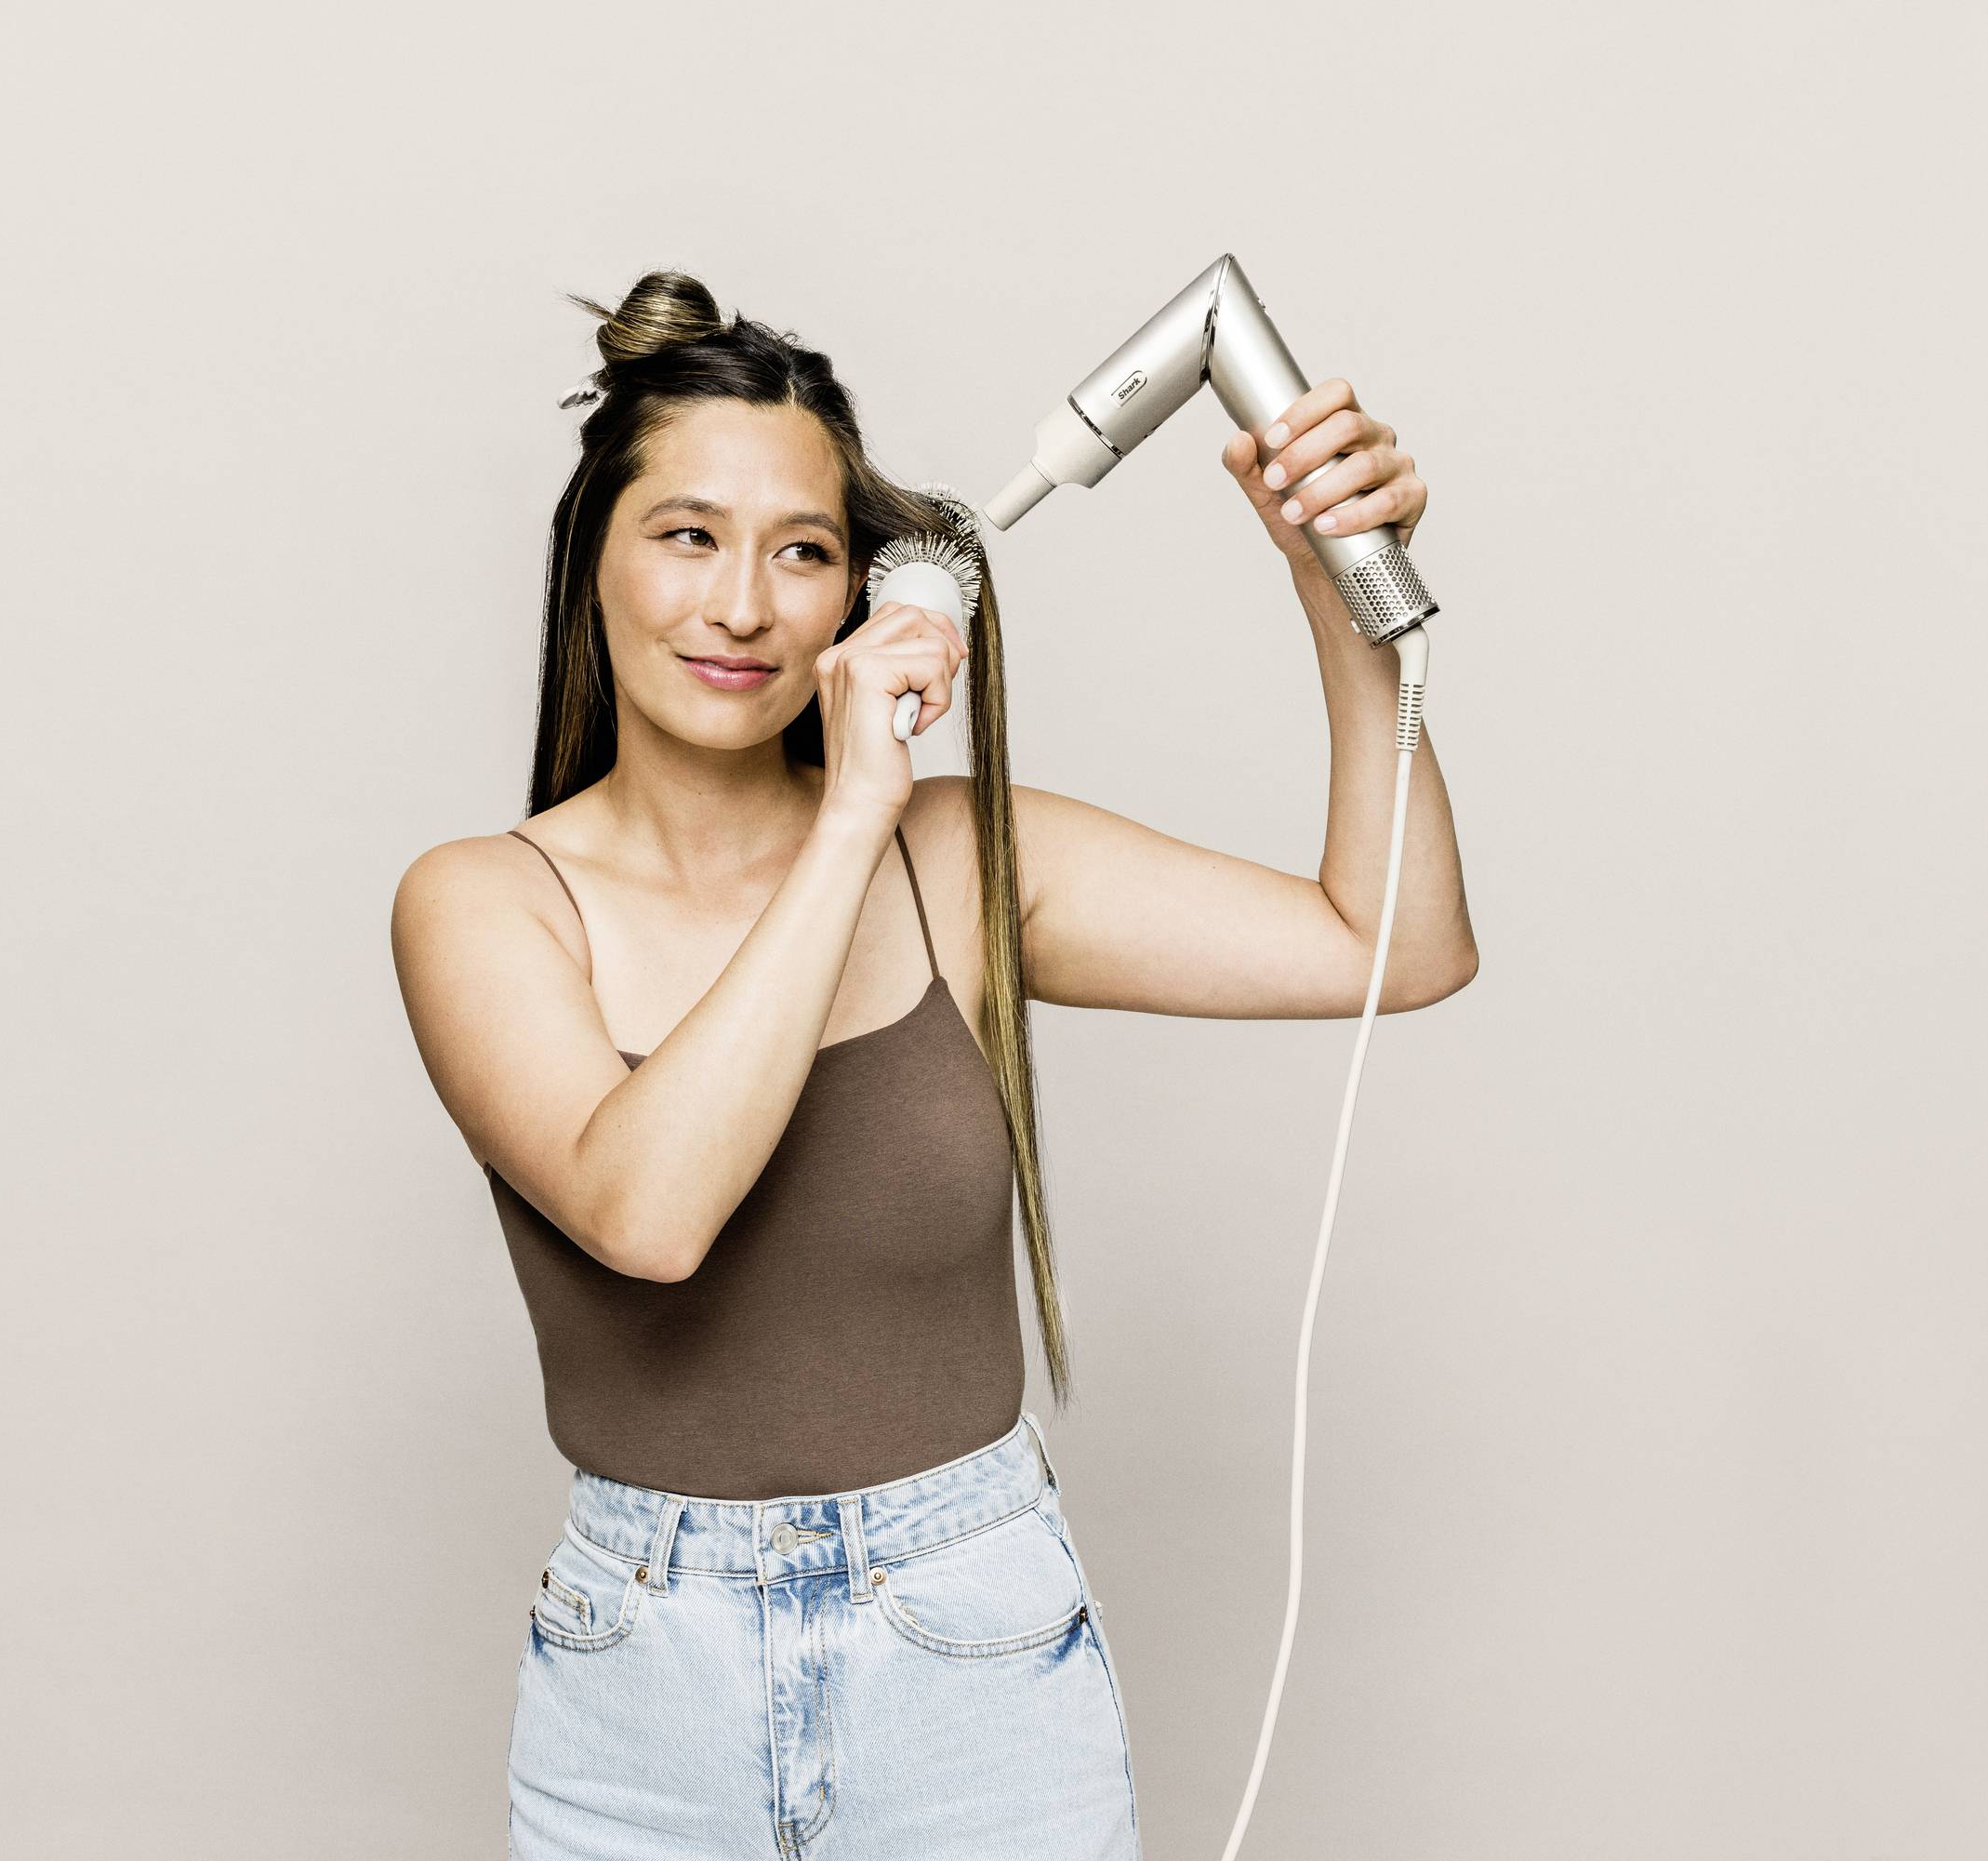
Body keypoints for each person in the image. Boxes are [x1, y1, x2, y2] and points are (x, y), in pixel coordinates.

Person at [389, 269, 1474, 1860]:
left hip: (975, 1661)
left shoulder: (954, 857)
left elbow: (1393, 937)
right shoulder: (480, 903)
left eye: (804, 550)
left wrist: (1332, 572)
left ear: (859, 595)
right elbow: (650, 1211)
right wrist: (847, 816)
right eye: (687, 533)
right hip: (643, 1689)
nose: (745, 604)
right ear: (594, 563)